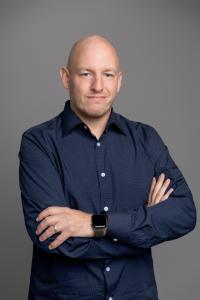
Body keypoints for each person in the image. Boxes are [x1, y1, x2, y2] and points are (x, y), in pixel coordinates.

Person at [18, 35, 196, 300]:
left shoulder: (146, 139)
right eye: (86, 73)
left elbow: (184, 214)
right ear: (66, 78)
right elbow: (55, 239)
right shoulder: (38, 142)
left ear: (119, 80)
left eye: (108, 74)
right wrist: (143, 229)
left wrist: (93, 224)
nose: (98, 86)